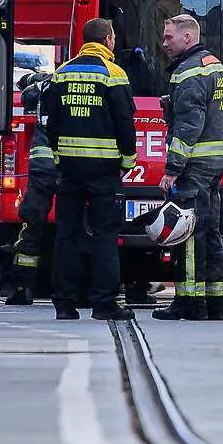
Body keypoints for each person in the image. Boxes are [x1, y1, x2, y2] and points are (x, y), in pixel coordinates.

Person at [43, 18, 139, 321]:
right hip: (104, 169)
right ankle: (104, 304)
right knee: (104, 235)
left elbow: (51, 120)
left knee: (66, 235)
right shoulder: (114, 74)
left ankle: (64, 304)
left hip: (69, 168)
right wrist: (128, 161)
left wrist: (58, 156)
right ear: (108, 39)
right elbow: (124, 123)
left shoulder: (62, 73)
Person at [154, 14, 223, 321]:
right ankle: (216, 303)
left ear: (187, 37)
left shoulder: (188, 72)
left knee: (187, 235)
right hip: (213, 163)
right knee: (210, 233)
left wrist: (172, 169)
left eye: (169, 37)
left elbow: (188, 126)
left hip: (193, 166)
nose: (164, 43)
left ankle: (189, 302)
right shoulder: (214, 65)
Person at [6, 71, 58, 305]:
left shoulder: (42, 87)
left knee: (31, 230)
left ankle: (21, 289)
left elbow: (25, 95)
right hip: (68, 168)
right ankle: (68, 292)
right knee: (70, 232)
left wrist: (37, 80)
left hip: (41, 170)